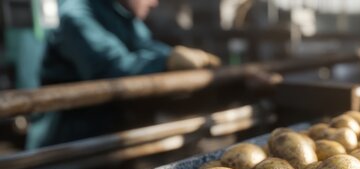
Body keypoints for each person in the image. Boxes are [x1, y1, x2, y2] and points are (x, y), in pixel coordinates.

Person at [26, 0, 221, 149]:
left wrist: (174, 55)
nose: (154, 3)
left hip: (110, 139)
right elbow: (112, 69)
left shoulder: (123, 16)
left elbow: (146, 46)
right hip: (67, 149)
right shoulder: (77, 15)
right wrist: (167, 61)